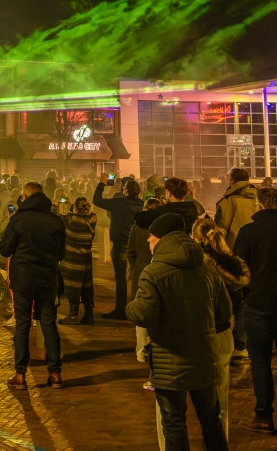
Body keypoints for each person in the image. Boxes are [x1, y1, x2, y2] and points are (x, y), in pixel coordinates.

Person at [126, 213, 230, 451]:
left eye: (151, 237)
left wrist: (130, 306)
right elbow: (224, 313)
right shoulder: (206, 269)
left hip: (169, 362)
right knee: (211, 422)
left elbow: (143, 314)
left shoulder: (153, 273)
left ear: (161, 240)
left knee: (174, 424)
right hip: (203, 358)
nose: (147, 241)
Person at [0, 181, 66, 389]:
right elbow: (61, 253)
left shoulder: (19, 219)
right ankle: (55, 373)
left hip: (23, 277)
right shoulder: (56, 221)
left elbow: (5, 248)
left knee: (22, 324)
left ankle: (20, 374)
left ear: (26, 197)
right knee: (48, 323)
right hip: (47, 277)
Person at [191, 219, 249, 445]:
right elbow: (238, 298)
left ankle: (212, 441)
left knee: (203, 398)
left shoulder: (199, 263)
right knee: (220, 397)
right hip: (225, 332)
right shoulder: (233, 262)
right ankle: (219, 441)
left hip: (205, 331)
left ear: (196, 238)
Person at [234, 186, 277, 434]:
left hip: (258, 304)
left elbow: (238, 269)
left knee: (260, 361)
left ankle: (263, 416)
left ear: (259, 206)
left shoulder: (249, 231)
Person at [92, 176, 143, 319]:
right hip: (137, 243)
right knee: (138, 276)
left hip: (120, 242)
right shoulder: (142, 204)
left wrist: (102, 183)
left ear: (125, 191)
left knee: (120, 277)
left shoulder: (118, 203)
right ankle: (138, 306)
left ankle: (120, 308)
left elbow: (97, 200)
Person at [126, 197, 161, 364]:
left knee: (141, 312)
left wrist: (133, 268)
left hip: (140, 268)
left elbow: (130, 252)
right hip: (159, 269)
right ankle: (155, 351)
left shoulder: (136, 228)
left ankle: (140, 352)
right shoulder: (163, 229)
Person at [59, 196, 97, 325]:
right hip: (86, 256)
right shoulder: (93, 218)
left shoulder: (70, 219)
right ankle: (89, 315)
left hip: (72, 258)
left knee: (73, 286)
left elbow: (64, 214)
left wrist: (68, 206)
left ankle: (73, 315)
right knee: (87, 286)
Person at [216, 168, 259, 249]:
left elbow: (223, 224)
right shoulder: (260, 196)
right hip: (259, 242)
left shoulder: (230, 199)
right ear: (248, 179)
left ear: (232, 181)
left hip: (237, 243)